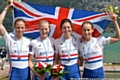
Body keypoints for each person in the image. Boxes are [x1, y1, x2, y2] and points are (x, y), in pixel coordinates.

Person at [79, 12, 120, 78]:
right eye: (84, 30)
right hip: (86, 73)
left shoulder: (100, 40)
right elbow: (80, 62)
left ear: (92, 30)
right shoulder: (80, 45)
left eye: (88, 30)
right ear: (82, 31)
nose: (86, 32)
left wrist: (115, 21)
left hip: (98, 72)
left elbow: (118, 38)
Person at [0, 1, 32, 80]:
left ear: (25, 29)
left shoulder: (28, 42)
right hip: (14, 74)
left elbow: (31, 61)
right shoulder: (9, 38)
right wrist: (7, 7)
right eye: (18, 27)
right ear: (14, 28)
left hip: (26, 74)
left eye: (22, 27)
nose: (20, 30)